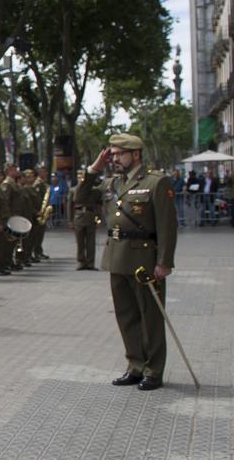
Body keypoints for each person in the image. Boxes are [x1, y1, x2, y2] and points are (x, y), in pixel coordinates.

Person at [74, 134, 177, 391]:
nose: (115, 159)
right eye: (113, 154)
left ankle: (153, 370)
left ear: (136, 154)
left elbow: (167, 226)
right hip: (117, 258)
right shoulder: (111, 183)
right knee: (126, 316)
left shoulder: (155, 182)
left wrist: (164, 262)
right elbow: (80, 197)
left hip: (145, 259)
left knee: (150, 316)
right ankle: (135, 365)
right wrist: (93, 168)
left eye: (119, 154)